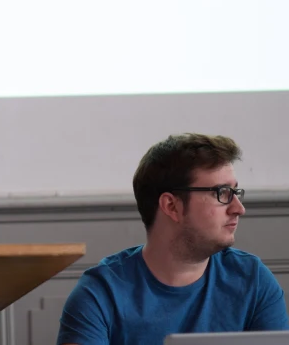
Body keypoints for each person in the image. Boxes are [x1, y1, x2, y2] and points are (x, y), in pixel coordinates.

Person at [57, 133, 289, 345]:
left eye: (236, 193)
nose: (239, 208)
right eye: (222, 193)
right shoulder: (100, 294)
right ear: (171, 206)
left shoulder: (253, 281)